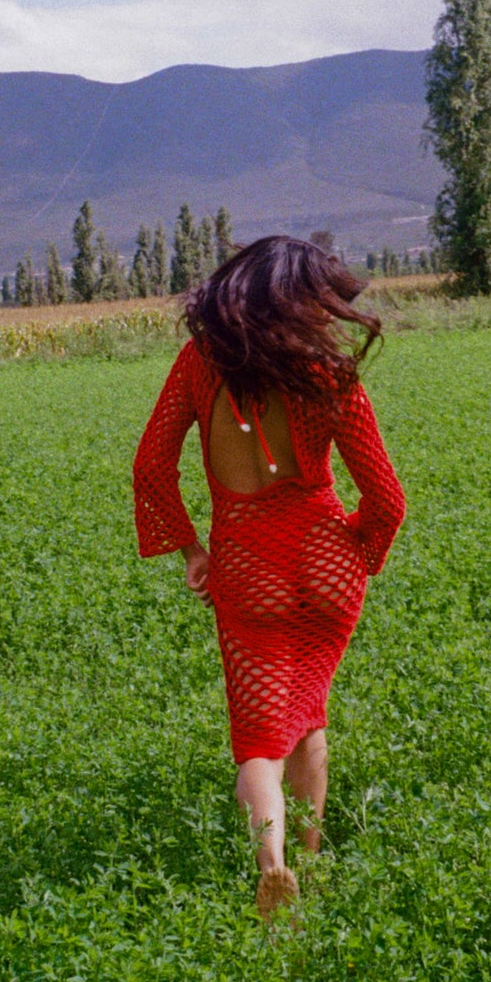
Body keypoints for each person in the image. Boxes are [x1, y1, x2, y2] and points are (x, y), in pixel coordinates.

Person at [132, 235, 406, 919]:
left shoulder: (198, 365)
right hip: (324, 564)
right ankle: (309, 862)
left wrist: (192, 550)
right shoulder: (325, 372)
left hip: (247, 568)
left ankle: (274, 865)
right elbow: (387, 498)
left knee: (259, 742)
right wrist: (358, 553)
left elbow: (149, 468)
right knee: (309, 719)